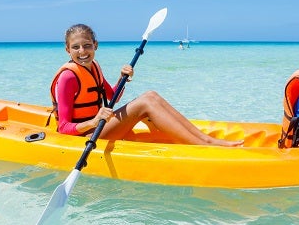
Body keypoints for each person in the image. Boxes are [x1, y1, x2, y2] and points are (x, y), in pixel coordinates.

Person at [49, 23, 242, 146]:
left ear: (95, 45)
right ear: (68, 50)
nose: (82, 51)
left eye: (87, 45)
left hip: (99, 126)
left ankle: (206, 139)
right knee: (144, 104)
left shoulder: (94, 67)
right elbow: (64, 127)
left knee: (151, 96)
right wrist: (92, 122)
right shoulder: (68, 77)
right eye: (75, 47)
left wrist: (122, 78)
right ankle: (205, 145)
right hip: (82, 138)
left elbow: (112, 96)